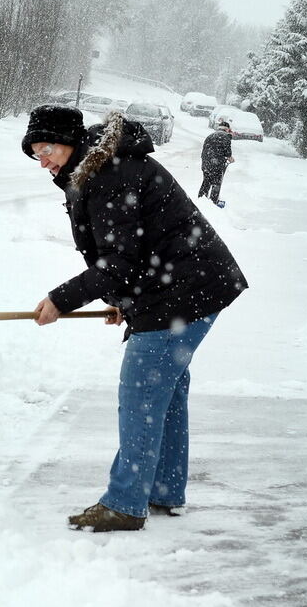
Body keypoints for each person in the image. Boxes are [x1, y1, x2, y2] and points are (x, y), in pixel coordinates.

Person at [21, 105, 248, 532]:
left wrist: (61, 299)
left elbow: (121, 260)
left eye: (47, 147)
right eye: (36, 152)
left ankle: (125, 503)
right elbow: (133, 253)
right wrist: (125, 302)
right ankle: (163, 488)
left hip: (184, 290)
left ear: (70, 142)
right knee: (166, 393)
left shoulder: (109, 176)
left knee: (142, 396)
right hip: (193, 284)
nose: (43, 159)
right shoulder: (101, 168)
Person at [198, 120, 234, 206]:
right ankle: (213, 202)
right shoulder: (226, 136)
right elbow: (228, 153)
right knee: (216, 183)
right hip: (216, 164)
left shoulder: (211, 135)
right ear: (227, 129)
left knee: (206, 182)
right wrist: (231, 159)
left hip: (206, 162)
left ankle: (201, 200)